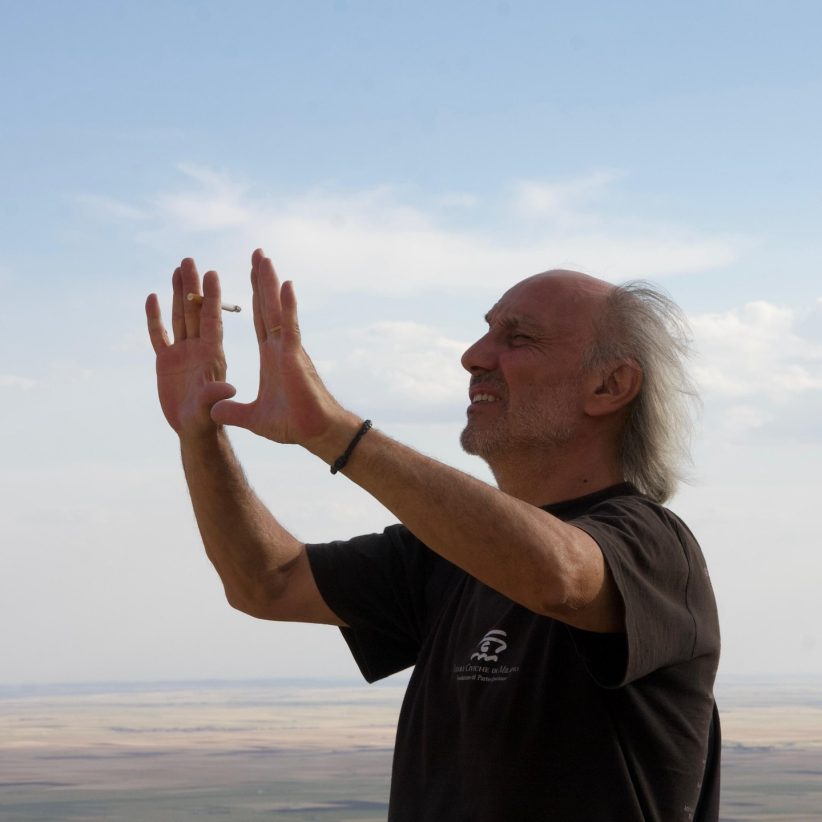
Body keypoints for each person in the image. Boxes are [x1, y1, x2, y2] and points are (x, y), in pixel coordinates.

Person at [146, 249, 720, 821]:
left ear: (610, 385)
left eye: (517, 339)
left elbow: (562, 576)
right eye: (485, 333)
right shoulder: (444, 555)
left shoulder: (654, 546)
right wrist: (201, 434)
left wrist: (334, 433)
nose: (473, 357)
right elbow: (268, 584)